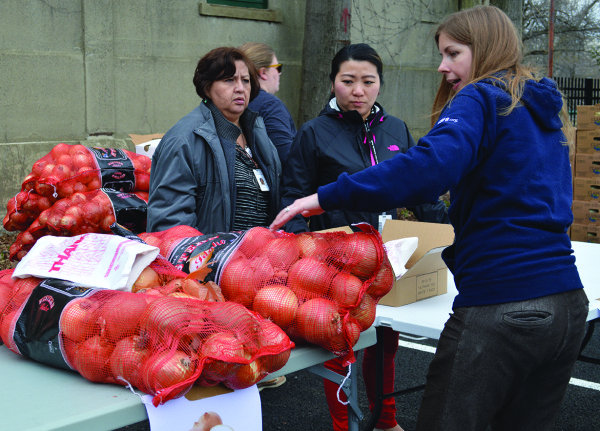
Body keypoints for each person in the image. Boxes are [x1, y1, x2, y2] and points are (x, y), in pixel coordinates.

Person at [271, 6, 588, 431]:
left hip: (503, 302)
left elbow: (427, 169)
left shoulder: (482, 97)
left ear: (486, 48)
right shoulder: (538, 108)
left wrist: (324, 196)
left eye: (453, 53)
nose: (443, 66)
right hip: (566, 305)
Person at [280, 43, 449, 431]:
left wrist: (448, 228)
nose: (358, 90)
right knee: (339, 346)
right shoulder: (313, 133)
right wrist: (299, 254)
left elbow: (418, 189)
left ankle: (386, 420)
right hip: (332, 263)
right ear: (333, 83)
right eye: (348, 81)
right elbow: (293, 196)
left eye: (368, 81)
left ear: (379, 85)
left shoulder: (396, 129)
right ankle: (345, 426)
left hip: (387, 258)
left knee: (384, 342)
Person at [147, 46, 281, 234]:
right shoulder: (183, 140)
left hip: (259, 258)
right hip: (211, 260)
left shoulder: (258, 134)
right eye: (229, 80)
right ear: (207, 87)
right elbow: (170, 224)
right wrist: (206, 259)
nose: (240, 89)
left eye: (246, 80)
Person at [239, 42, 297, 163]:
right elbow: (286, 157)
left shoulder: (234, 101)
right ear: (263, 72)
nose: (279, 73)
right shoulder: (270, 105)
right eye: (278, 68)